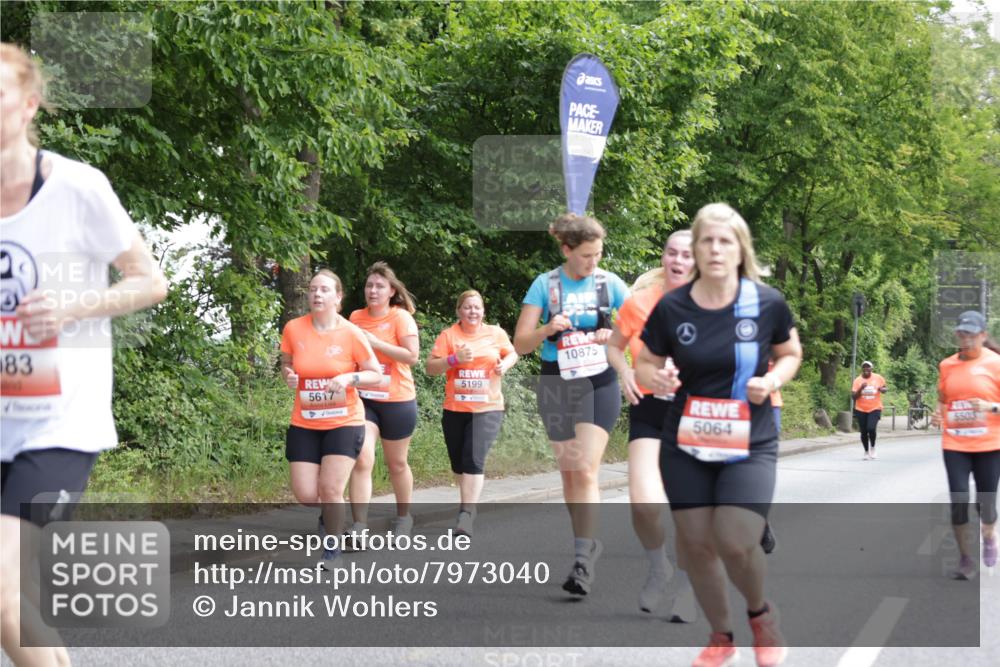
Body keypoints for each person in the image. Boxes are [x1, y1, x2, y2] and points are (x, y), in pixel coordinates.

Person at [1, 42, 168, 667]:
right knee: (10, 606)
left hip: (58, 421)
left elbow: (150, 280)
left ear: (28, 106)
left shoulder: (76, 186)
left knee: (3, 594)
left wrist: (71, 306)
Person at [636, 203, 801, 667]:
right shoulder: (674, 305)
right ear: (696, 247)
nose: (714, 249)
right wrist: (656, 379)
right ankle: (721, 636)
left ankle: (761, 616)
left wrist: (771, 381)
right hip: (686, 439)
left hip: (750, 439)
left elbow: (790, 353)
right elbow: (646, 361)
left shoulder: (764, 302)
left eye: (724, 241)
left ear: (740, 249)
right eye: (706, 240)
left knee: (733, 537)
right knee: (695, 544)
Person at [514, 213, 629, 596]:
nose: (593, 262)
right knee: (568, 472)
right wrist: (548, 328)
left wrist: (611, 335)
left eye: (597, 254)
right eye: (585, 255)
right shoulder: (544, 286)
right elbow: (520, 344)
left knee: (584, 466)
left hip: (599, 381)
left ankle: (582, 560)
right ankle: (587, 541)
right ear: (566, 249)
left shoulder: (609, 284)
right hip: (557, 380)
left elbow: (641, 330)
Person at [607, 229, 698, 618]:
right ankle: (659, 565)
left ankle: (688, 588)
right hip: (649, 408)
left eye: (686, 255)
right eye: (671, 253)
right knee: (643, 504)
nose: (677, 261)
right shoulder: (640, 302)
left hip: (697, 416)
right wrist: (624, 371)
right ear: (663, 257)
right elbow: (614, 345)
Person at [280, 269, 383, 569]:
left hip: (344, 421)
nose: (317, 294)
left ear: (338, 297)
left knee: (331, 489)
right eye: (313, 289)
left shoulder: (351, 333)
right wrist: (288, 375)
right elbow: (287, 363)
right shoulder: (294, 329)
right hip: (305, 421)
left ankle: (332, 551)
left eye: (324, 289)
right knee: (307, 494)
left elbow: (375, 374)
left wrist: (349, 377)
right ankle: (327, 512)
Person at [427, 290, 518, 536]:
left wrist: (504, 364)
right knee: (459, 464)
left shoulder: (495, 334)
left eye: (477, 307)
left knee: (473, 459)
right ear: (459, 311)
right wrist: (454, 359)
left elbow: (512, 353)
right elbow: (431, 368)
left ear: (483, 311)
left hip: (488, 408)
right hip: (455, 408)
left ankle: (465, 513)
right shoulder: (449, 335)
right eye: (467, 307)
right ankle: (468, 501)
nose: (472, 312)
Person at [346, 262, 419, 542]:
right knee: (362, 457)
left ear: (391, 291)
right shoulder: (355, 317)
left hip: (398, 400)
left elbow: (411, 356)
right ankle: (360, 526)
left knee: (397, 463)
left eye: (379, 286)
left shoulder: (401, 318)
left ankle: (404, 517)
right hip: (365, 399)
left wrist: (374, 343)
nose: (372, 290)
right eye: (369, 285)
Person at [930, 311, 1000, 580]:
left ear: (983, 335)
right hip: (955, 443)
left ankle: (990, 535)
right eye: (962, 334)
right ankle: (965, 559)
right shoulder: (947, 365)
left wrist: (990, 407)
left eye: (971, 335)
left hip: (990, 444)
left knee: (986, 506)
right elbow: (944, 398)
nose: (966, 339)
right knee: (959, 500)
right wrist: (938, 413)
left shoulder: (995, 363)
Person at [852, 361, 888, 460]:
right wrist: (861, 388)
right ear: (862, 369)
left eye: (868, 367)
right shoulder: (857, 380)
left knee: (871, 428)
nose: (866, 369)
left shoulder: (878, 378)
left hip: (875, 408)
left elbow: (884, 388)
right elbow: (854, 397)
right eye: (864, 367)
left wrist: (883, 390)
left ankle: (872, 447)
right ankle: (866, 451)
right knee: (863, 432)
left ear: (871, 369)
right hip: (861, 409)